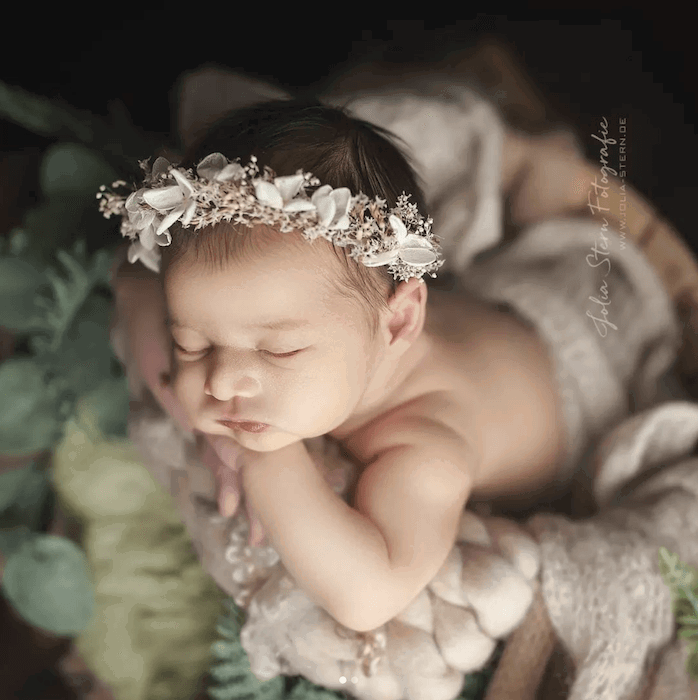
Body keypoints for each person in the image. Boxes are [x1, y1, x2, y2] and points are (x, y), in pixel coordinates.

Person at [105, 98, 567, 633]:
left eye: (279, 351)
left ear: (397, 324)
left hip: (572, 379)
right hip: (483, 314)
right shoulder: (337, 321)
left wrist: (264, 460)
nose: (222, 380)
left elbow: (369, 597)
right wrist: (137, 292)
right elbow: (150, 284)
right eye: (191, 344)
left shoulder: (424, 442)